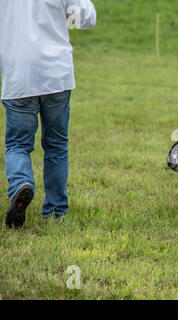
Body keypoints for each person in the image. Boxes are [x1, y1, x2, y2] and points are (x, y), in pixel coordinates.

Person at [0, 0, 96, 228]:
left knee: (18, 145)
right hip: (56, 74)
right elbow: (86, 18)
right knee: (56, 144)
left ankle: (21, 185)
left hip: (18, 74)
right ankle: (55, 211)